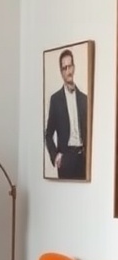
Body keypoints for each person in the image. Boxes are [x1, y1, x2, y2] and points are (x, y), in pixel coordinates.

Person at [44, 48, 88, 180]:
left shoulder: (84, 99)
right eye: (64, 68)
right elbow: (48, 134)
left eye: (70, 66)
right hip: (66, 160)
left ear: (74, 68)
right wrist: (55, 155)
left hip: (83, 159)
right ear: (61, 72)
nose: (68, 71)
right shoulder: (56, 99)